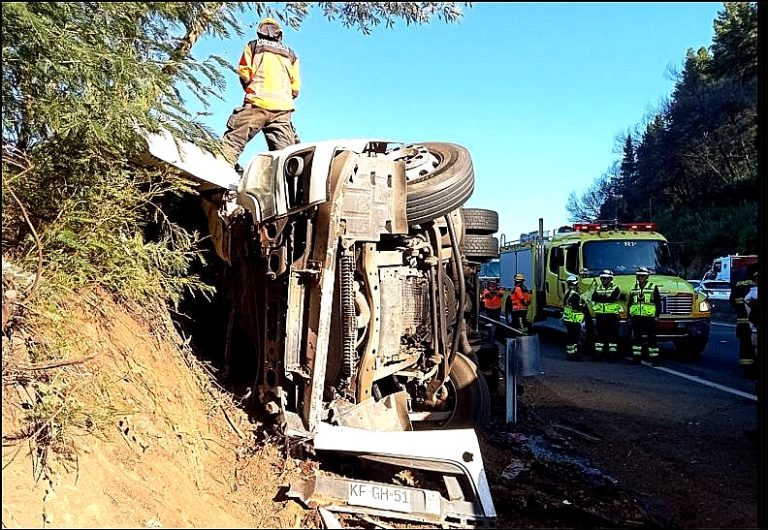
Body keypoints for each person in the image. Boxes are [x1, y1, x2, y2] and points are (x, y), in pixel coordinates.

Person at [220, 18, 301, 167]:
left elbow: (245, 74)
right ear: (279, 34)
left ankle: (215, 178)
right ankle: (287, 188)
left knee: (233, 142)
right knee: (285, 158)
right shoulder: (291, 54)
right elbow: (295, 89)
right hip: (282, 111)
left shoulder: (253, 46)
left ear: (260, 31)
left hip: (256, 103)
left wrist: (250, 89)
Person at [627, 267, 662, 366]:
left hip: (649, 318)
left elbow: (658, 303)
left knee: (651, 339)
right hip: (636, 318)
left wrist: (657, 316)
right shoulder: (634, 287)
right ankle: (636, 358)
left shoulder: (652, 286)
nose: (641, 278)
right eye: (639, 276)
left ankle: (655, 360)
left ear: (647, 277)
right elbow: (630, 303)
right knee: (636, 339)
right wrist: (629, 317)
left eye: (643, 276)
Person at [730, 264, 757, 378]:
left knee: (745, 346)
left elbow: (732, 302)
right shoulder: (755, 288)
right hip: (755, 323)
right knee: (753, 346)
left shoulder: (739, 283)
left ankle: (746, 369)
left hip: (742, 322)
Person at [591, 269, 622, 362]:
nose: (603, 280)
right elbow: (594, 297)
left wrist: (602, 298)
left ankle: (612, 355)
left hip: (612, 316)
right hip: (600, 315)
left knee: (613, 336)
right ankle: (598, 354)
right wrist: (605, 298)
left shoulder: (615, 288)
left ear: (610, 279)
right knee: (599, 335)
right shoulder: (598, 288)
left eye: (605, 278)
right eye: (602, 278)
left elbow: (613, 298)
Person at [562, 275, 586, 361]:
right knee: (574, 338)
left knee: (570, 338)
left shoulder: (567, 292)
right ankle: (573, 355)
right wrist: (583, 305)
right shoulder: (575, 295)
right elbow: (577, 307)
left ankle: (570, 354)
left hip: (568, 319)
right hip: (574, 320)